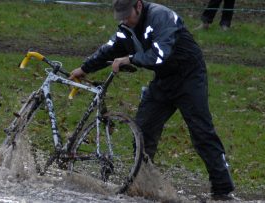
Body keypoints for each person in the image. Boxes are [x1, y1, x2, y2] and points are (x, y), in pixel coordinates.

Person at [69, 0, 236, 200]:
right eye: (120, 16)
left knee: (201, 131)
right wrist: (84, 68)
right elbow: (112, 48)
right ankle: (144, 182)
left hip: (189, 77)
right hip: (163, 81)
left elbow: (159, 55)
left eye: (126, 15)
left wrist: (129, 59)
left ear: (138, 6)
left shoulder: (161, 16)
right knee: (142, 131)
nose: (124, 20)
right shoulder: (126, 26)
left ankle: (222, 190)